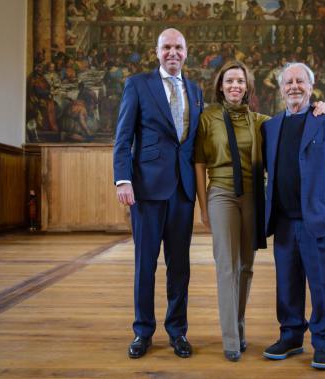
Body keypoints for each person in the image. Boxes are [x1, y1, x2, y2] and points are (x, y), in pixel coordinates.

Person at [194, 61, 325, 362]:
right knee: (227, 266)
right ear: (220, 85)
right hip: (222, 194)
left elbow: (295, 124)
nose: (235, 86)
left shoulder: (262, 122)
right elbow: (199, 163)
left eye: (240, 81)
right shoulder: (207, 118)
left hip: (254, 197)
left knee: (246, 267)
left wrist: (319, 107)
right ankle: (230, 339)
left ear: (248, 87)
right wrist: (203, 208)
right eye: (229, 81)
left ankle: (239, 327)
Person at [113, 28, 204, 359]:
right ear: (157, 51)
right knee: (145, 264)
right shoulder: (138, 85)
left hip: (182, 191)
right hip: (147, 190)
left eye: (178, 47)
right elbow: (123, 136)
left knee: (179, 266)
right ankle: (142, 331)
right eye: (166, 47)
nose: (173, 53)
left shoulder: (195, 91)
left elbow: (195, 141)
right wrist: (122, 179)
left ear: (186, 51)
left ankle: (178, 331)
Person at [261, 62, 325, 370]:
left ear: (311, 86)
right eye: (288, 82)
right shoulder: (271, 127)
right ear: (281, 88)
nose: (294, 86)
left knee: (324, 284)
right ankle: (290, 335)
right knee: (287, 284)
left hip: (321, 218)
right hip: (284, 221)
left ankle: (323, 342)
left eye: (300, 81)